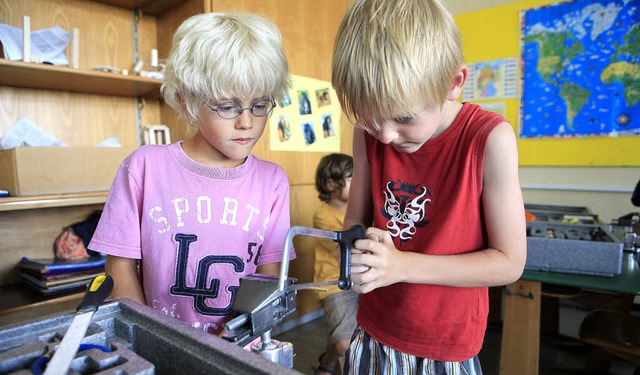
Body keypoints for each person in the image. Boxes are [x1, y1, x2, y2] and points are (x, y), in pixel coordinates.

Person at [331, 0, 527, 374]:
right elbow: (356, 215)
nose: (386, 136)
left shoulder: (490, 139)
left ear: (453, 84)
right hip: (374, 328)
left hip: (445, 346)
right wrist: (355, 253)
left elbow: (509, 262)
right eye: (372, 120)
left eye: (404, 118)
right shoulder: (369, 133)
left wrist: (401, 265)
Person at [88, 12, 293, 335]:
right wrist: (152, 337)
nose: (246, 122)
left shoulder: (273, 180)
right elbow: (120, 266)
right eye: (227, 106)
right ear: (187, 102)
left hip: (241, 350)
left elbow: (269, 275)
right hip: (158, 347)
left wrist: (245, 328)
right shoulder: (143, 167)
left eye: (260, 104)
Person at [312, 153, 358, 375]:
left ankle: (327, 362)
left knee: (354, 336)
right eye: (351, 179)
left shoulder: (359, 209)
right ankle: (329, 358)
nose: (359, 183)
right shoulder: (322, 215)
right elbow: (346, 250)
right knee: (344, 344)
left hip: (360, 280)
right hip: (333, 284)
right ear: (331, 184)